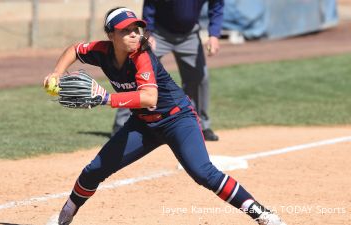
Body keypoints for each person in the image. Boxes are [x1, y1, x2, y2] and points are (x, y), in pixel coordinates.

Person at [43, 7, 286, 225]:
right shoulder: (101, 51)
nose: (134, 34)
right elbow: (74, 50)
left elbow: (150, 98)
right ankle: (65, 215)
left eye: (136, 29)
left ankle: (263, 215)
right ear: (111, 35)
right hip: (144, 125)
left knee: (203, 173)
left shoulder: (142, 56)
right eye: (125, 30)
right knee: (94, 170)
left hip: (177, 119)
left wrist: (107, 98)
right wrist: (56, 72)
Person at [111, 0, 222, 141]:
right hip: (159, 33)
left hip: (190, 34)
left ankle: (201, 126)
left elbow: (217, 6)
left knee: (199, 78)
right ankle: (121, 127)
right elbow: (150, 5)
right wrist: (148, 32)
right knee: (138, 74)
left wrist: (214, 34)